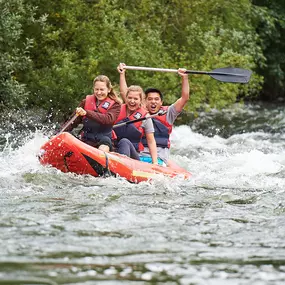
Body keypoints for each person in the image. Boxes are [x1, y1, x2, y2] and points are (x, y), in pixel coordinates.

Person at [117, 62, 190, 165]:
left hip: (159, 157)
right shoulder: (141, 110)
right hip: (139, 155)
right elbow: (126, 94)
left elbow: (185, 98)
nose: (153, 102)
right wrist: (122, 74)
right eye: (150, 99)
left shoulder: (168, 113)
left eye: (156, 99)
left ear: (161, 102)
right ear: (144, 101)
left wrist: (184, 78)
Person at [61, 75, 122, 152]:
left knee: (104, 144)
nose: (99, 92)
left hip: (104, 141)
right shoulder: (85, 102)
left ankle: (100, 159)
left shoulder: (116, 104)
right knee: (69, 138)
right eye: (96, 89)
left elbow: (108, 119)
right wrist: (58, 134)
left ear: (109, 89)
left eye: (102, 89)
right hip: (86, 140)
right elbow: (72, 122)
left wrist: (87, 113)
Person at [113, 85, 158, 165]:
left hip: (133, 155)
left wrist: (155, 162)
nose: (132, 101)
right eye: (129, 98)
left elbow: (151, 141)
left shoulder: (146, 117)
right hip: (114, 150)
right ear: (125, 98)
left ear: (141, 100)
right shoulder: (116, 110)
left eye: (135, 99)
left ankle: (122, 165)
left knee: (124, 141)